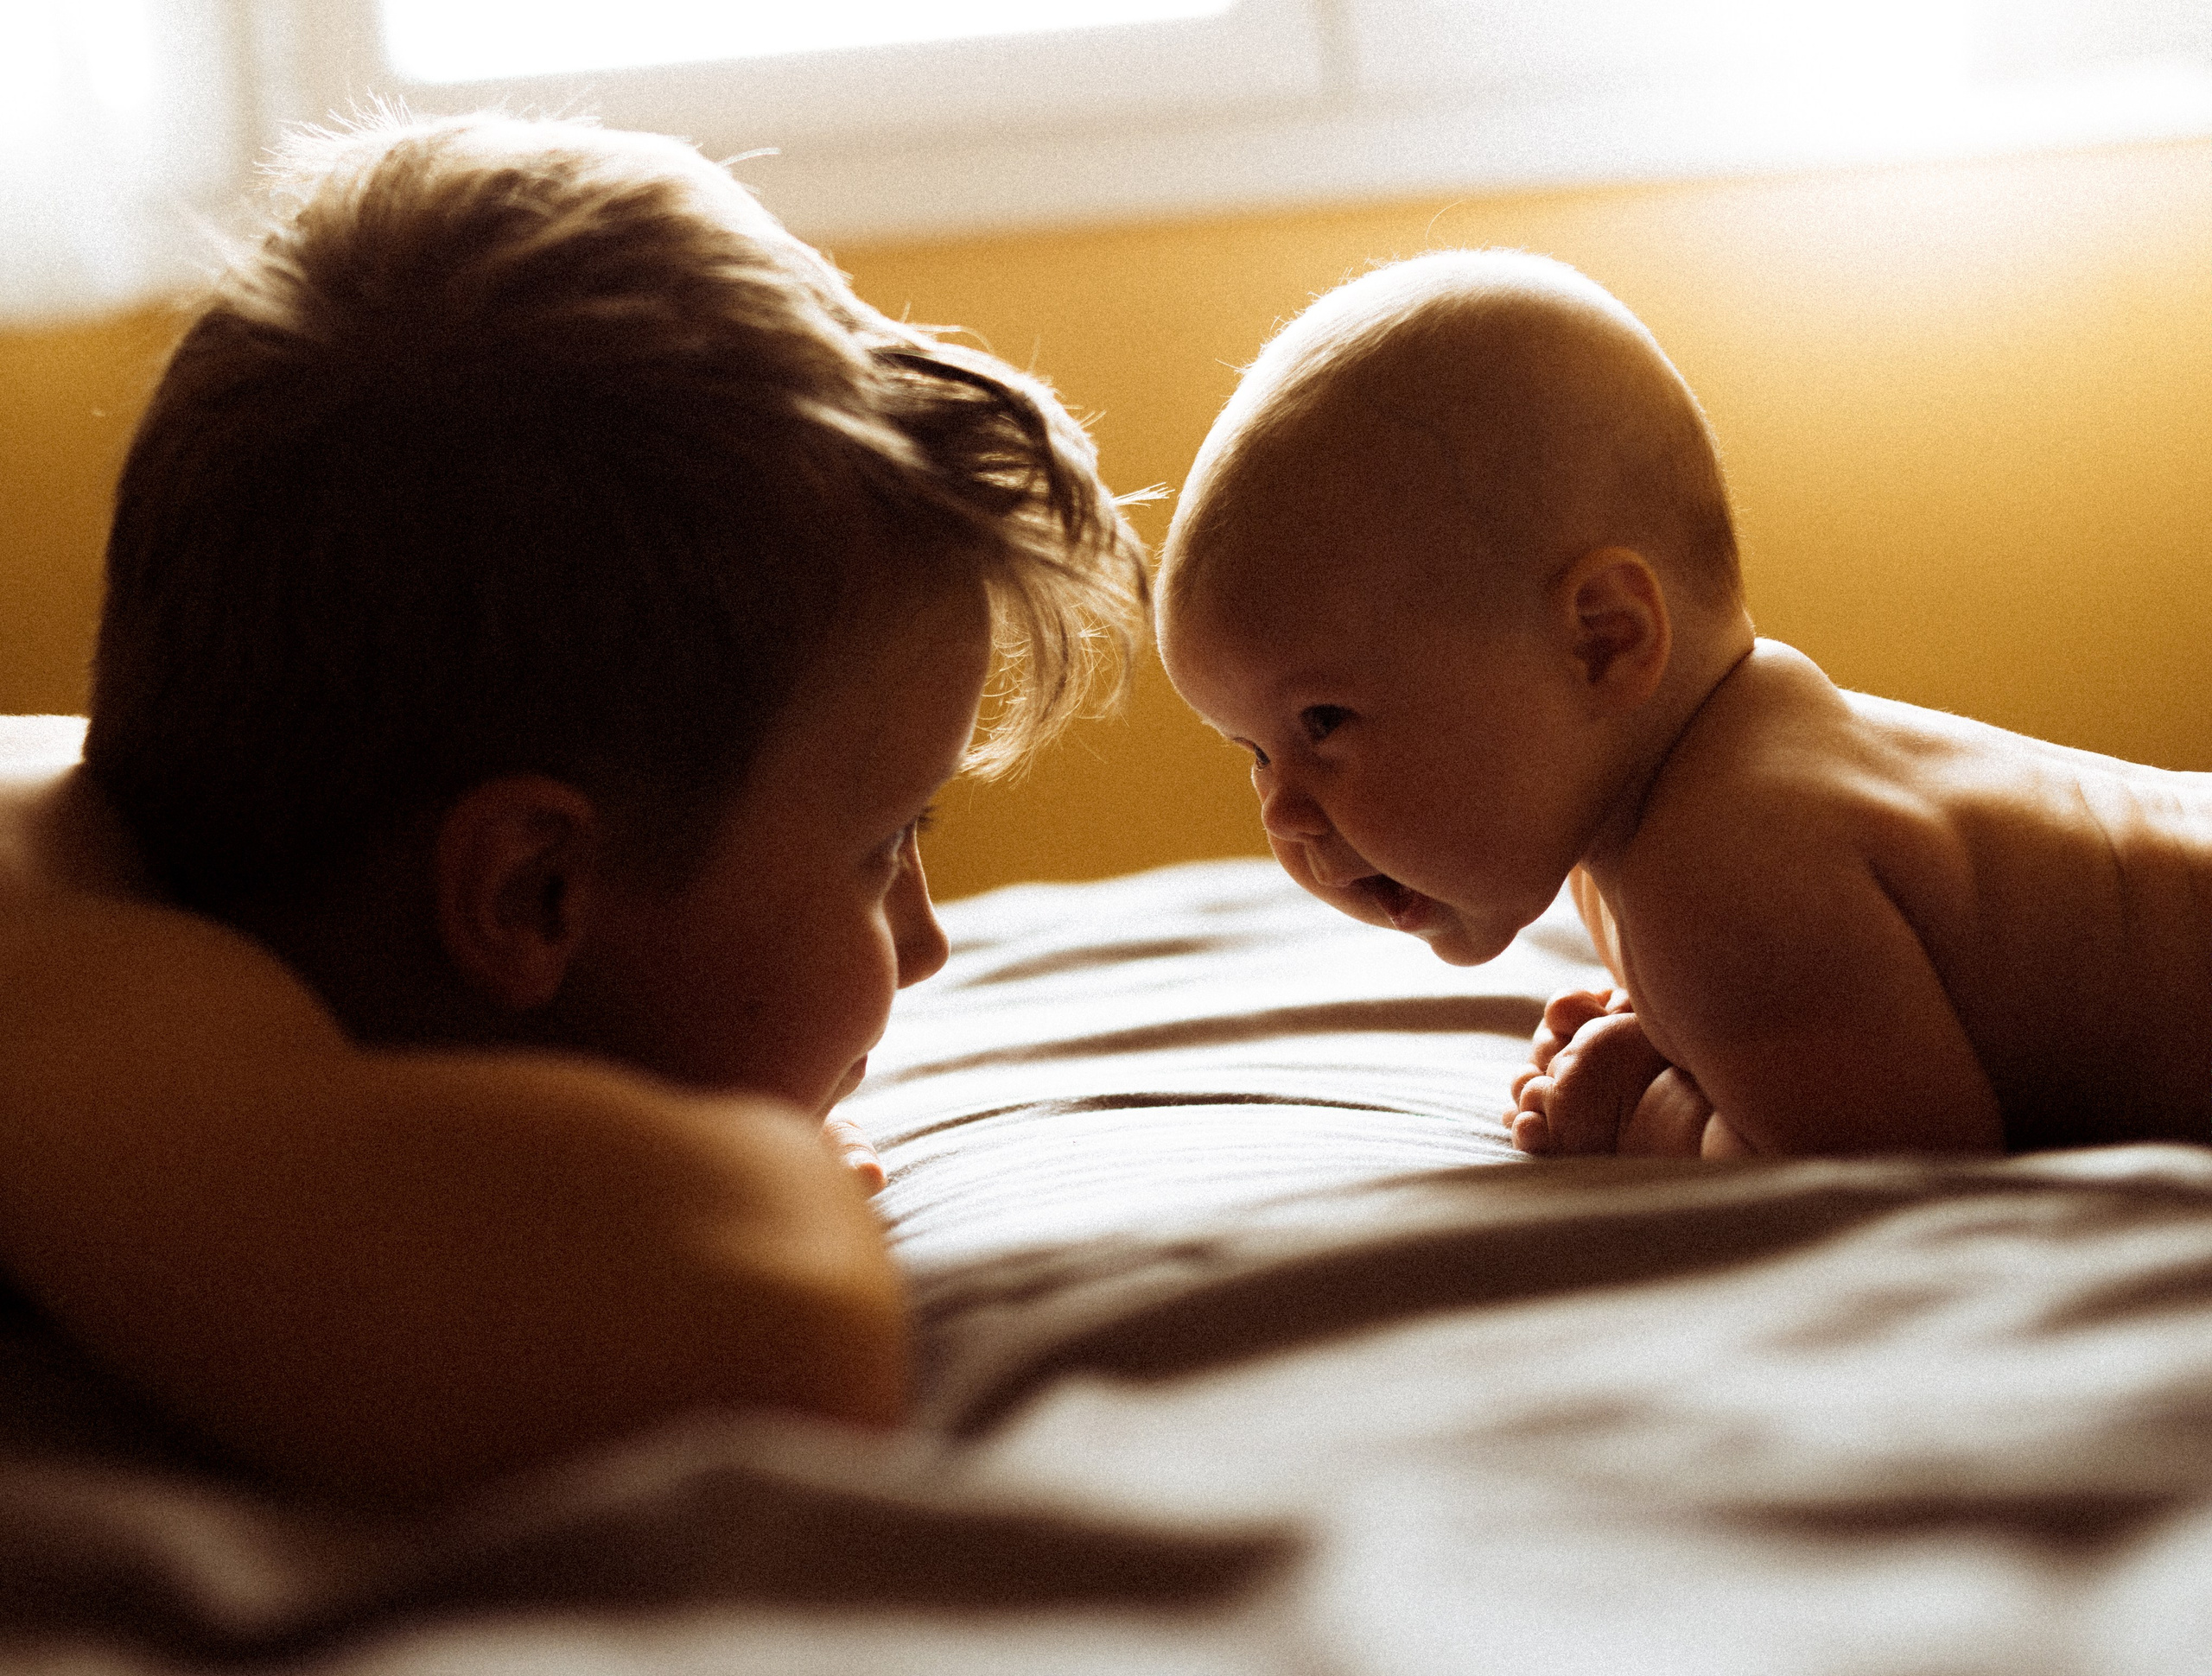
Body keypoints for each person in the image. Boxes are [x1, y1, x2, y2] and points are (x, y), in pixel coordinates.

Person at [0, 113, 1144, 1508]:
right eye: (881, 852)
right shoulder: (77, 1000)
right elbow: (785, 1321)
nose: (923, 947)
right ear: (530, 891)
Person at [1155, 248, 2212, 1165]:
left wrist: (1652, 1114)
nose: (1281, 812)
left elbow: (1893, 1170)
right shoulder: (1719, 776)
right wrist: (1699, 1036)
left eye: (1324, 722)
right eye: (1250, 750)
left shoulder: (1723, 875)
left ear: (1603, 640)